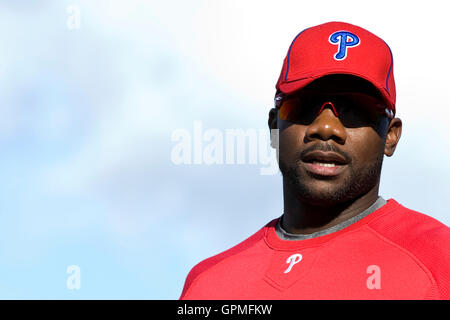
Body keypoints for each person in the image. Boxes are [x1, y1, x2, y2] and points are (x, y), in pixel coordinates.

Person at [179, 21, 450, 299]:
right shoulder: (208, 283)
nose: (326, 128)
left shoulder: (440, 262)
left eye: (356, 110)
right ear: (275, 127)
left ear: (390, 136)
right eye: (305, 105)